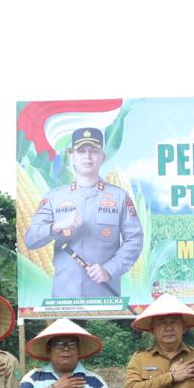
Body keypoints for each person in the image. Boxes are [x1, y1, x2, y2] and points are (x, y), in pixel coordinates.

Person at [24, 127, 143, 299]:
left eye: (93, 151)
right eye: (81, 150)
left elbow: (135, 239)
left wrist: (110, 269)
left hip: (106, 301)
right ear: (72, 156)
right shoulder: (53, 197)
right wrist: (56, 226)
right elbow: (30, 240)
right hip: (63, 300)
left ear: (103, 157)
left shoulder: (119, 197)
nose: (87, 156)